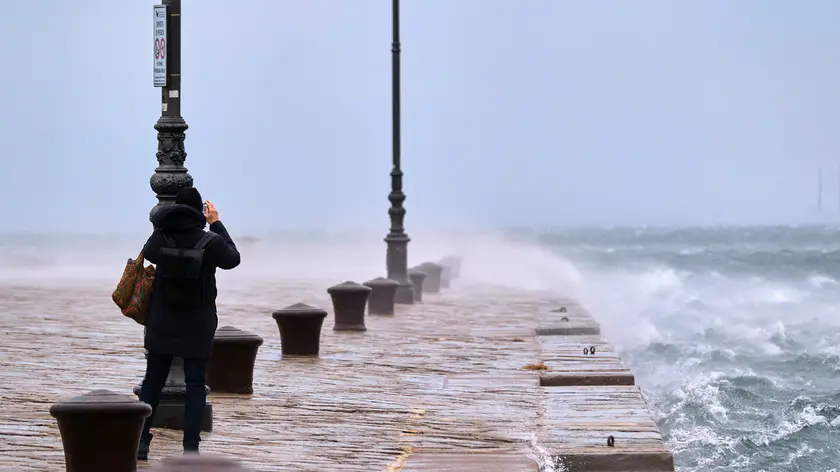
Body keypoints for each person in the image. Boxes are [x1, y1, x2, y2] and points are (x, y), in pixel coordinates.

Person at [137, 187, 241, 460]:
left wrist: (165, 220)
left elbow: (148, 254)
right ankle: (191, 450)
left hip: (162, 320)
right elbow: (233, 258)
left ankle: (141, 442)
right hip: (198, 322)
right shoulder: (210, 241)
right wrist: (216, 222)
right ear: (200, 212)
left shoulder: (160, 237)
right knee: (196, 384)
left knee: (153, 381)